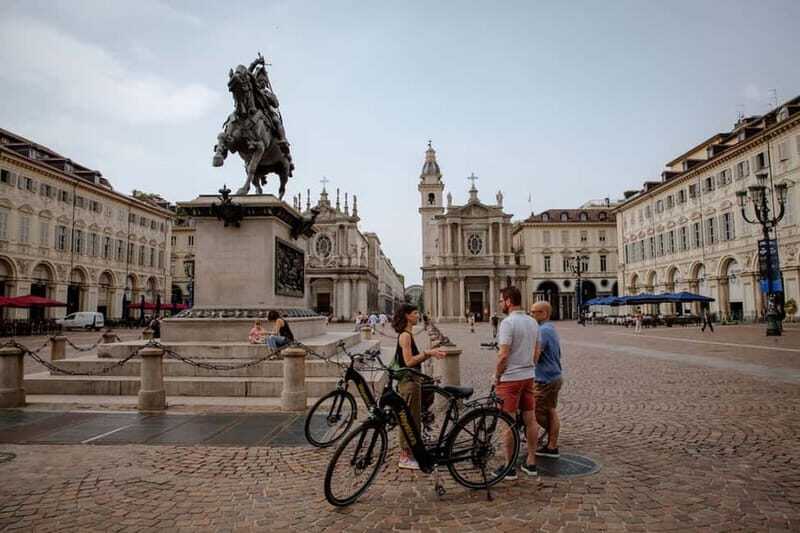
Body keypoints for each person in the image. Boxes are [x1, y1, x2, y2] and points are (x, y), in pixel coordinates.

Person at [494, 286, 540, 479]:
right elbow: (537, 351)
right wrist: (529, 367)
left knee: (508, 423)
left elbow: (503, 354)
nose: (500, 304)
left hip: (510, 379)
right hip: (528, 377)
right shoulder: (533, 322)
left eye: (501, 300)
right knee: (530, 420)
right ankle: (531, 462)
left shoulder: (507, 323)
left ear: (509, 301)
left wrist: (497, 375)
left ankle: (509, 466)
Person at [392, 303, 446, 470]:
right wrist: (427, 353)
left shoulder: (408, 333)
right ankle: (405, 456)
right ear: (407, 316)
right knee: (408, 419)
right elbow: (408, 362)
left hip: (411, 381)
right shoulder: (405, 336)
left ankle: (411, 451)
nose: (418, 315)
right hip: (408, 382)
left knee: (413, 418)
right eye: (415, 313)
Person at [531, 301, 562, 458]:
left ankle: (553, 441)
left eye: (534, 312)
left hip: (546, 378)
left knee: (536, 411)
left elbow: (537, 354)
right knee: (550, 409)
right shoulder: (550, 328)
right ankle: (552, 444)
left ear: (544, 314)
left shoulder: (543, 331)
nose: (531, 314)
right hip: (554, 375)